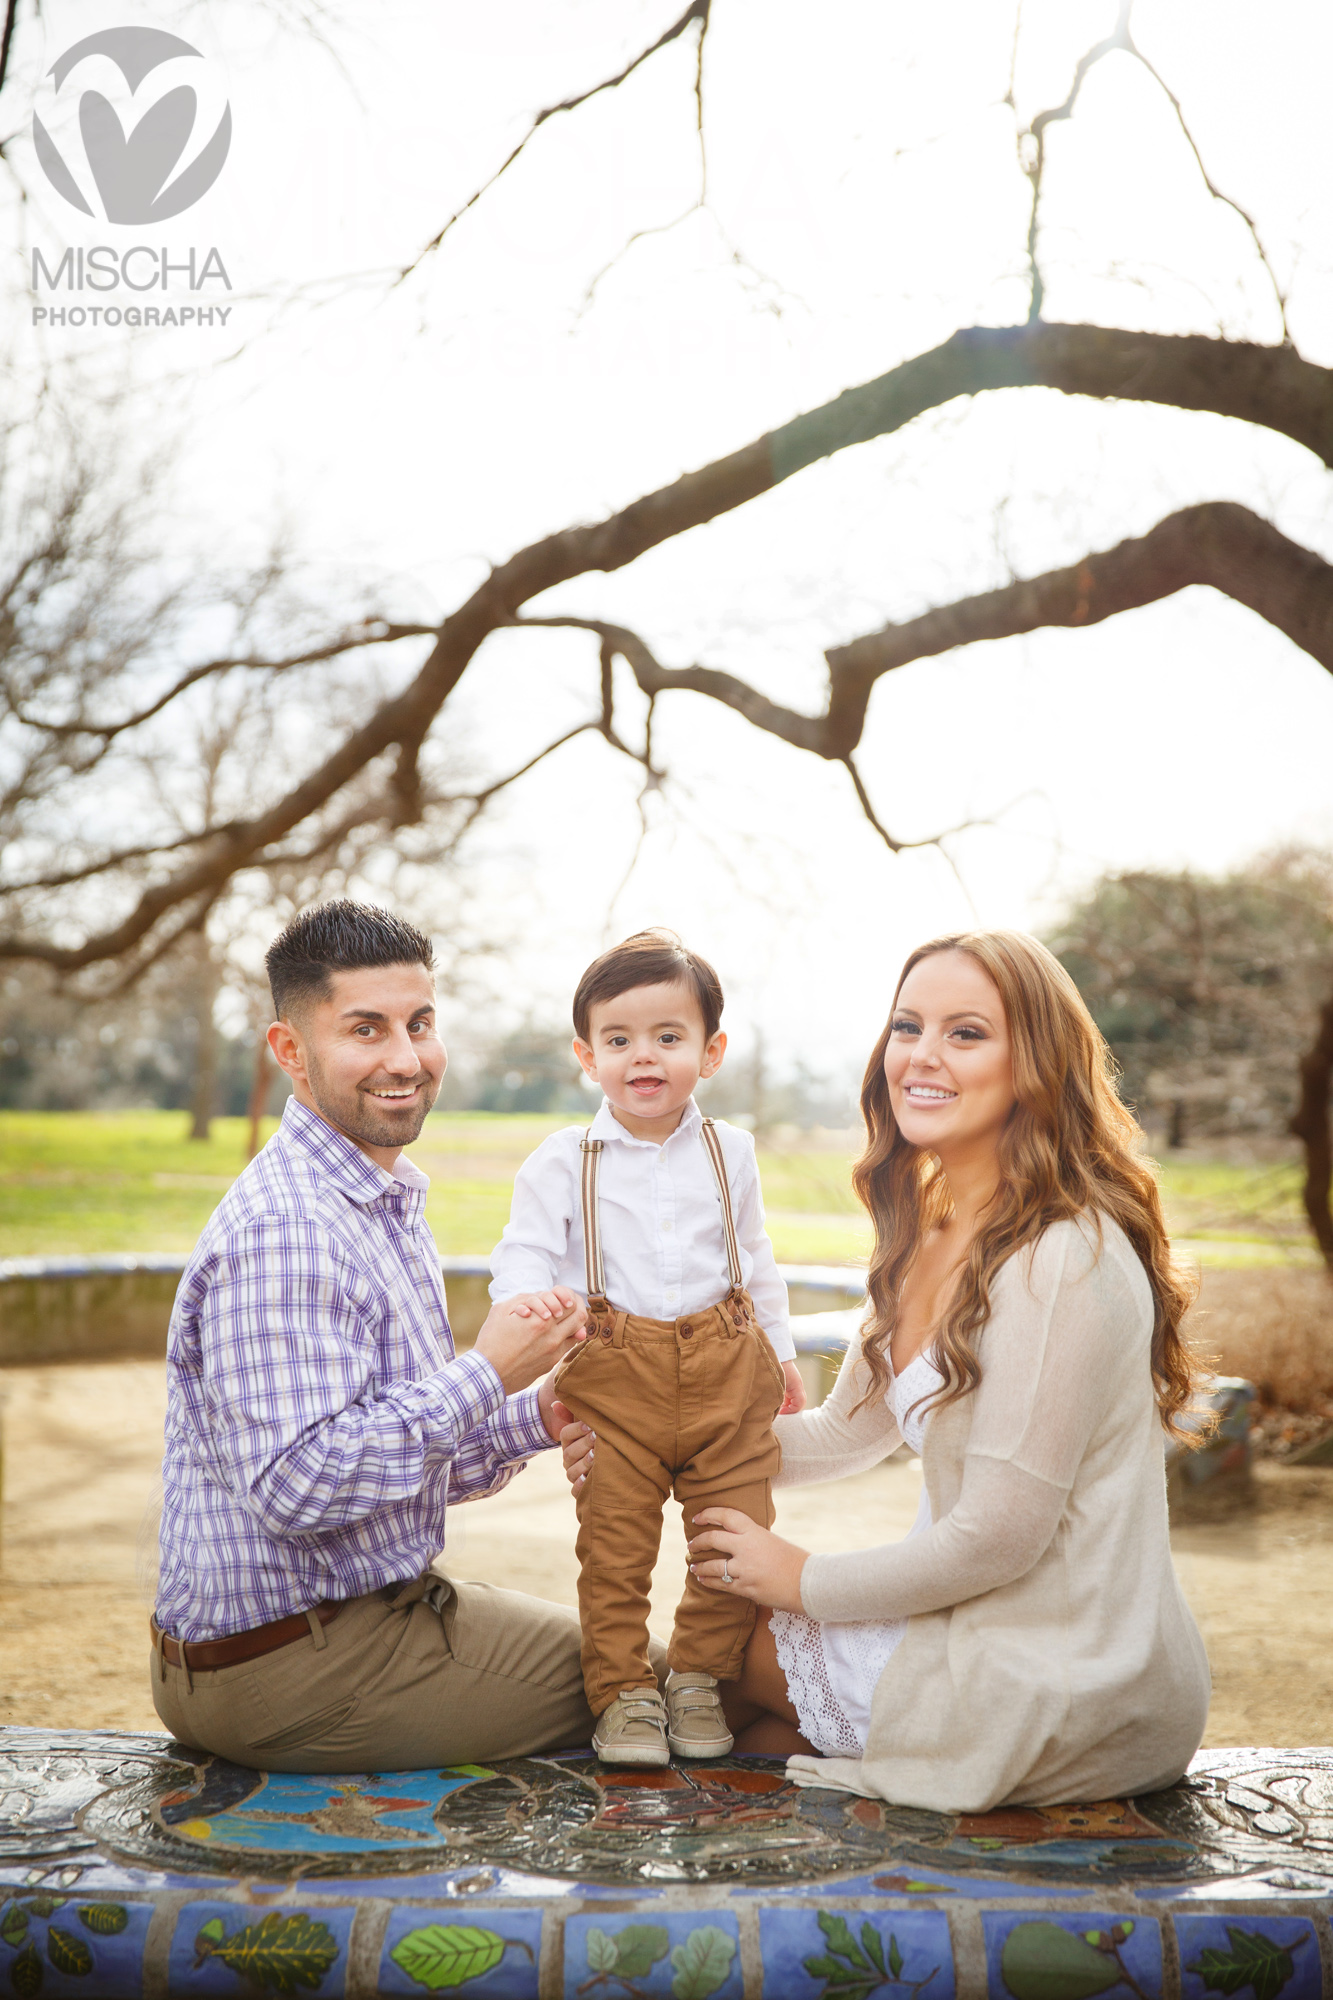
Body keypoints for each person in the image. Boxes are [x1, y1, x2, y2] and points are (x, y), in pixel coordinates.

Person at [565, 930, 1212, 1811]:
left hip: (1063, 1666)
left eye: (966, 1033)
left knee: (698, 1668)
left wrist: (797, 1580)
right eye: (908, 1026)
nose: (921, 1056)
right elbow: (843, 1432)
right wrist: (649, 1442)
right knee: (734, 1743)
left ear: (1037, 1062)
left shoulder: (1062, 1257)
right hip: (971, 1620)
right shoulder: (935, 1227)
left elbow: (998, 1535)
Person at [151, 899, 621, 1772]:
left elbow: (394, 1460)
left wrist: (543, 1412)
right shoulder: (288, 1229)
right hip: (287, 1670)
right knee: (655, 1694)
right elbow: (300, 1486)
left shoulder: (378, 1199)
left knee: (652, 1675)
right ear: (290, 1052)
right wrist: (486, 1371)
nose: (406, 1060)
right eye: (365, 1029)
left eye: (420, 1023)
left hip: (354, 1621)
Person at [492, 930, 806, 1768]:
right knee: (615, 1545)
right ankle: (624, 1693)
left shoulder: (729, 1150)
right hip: (613, 1376)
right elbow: (521, 1250)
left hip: (727, 1366)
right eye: (618, 1039)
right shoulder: (563, 1160)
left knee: (733, 1536)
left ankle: (698, 1678)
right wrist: (530, 1302)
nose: (643, 1057)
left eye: (668, 1038)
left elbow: (756, 1254)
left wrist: (778, 1353)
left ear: (709, 1052)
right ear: (585, 1056)